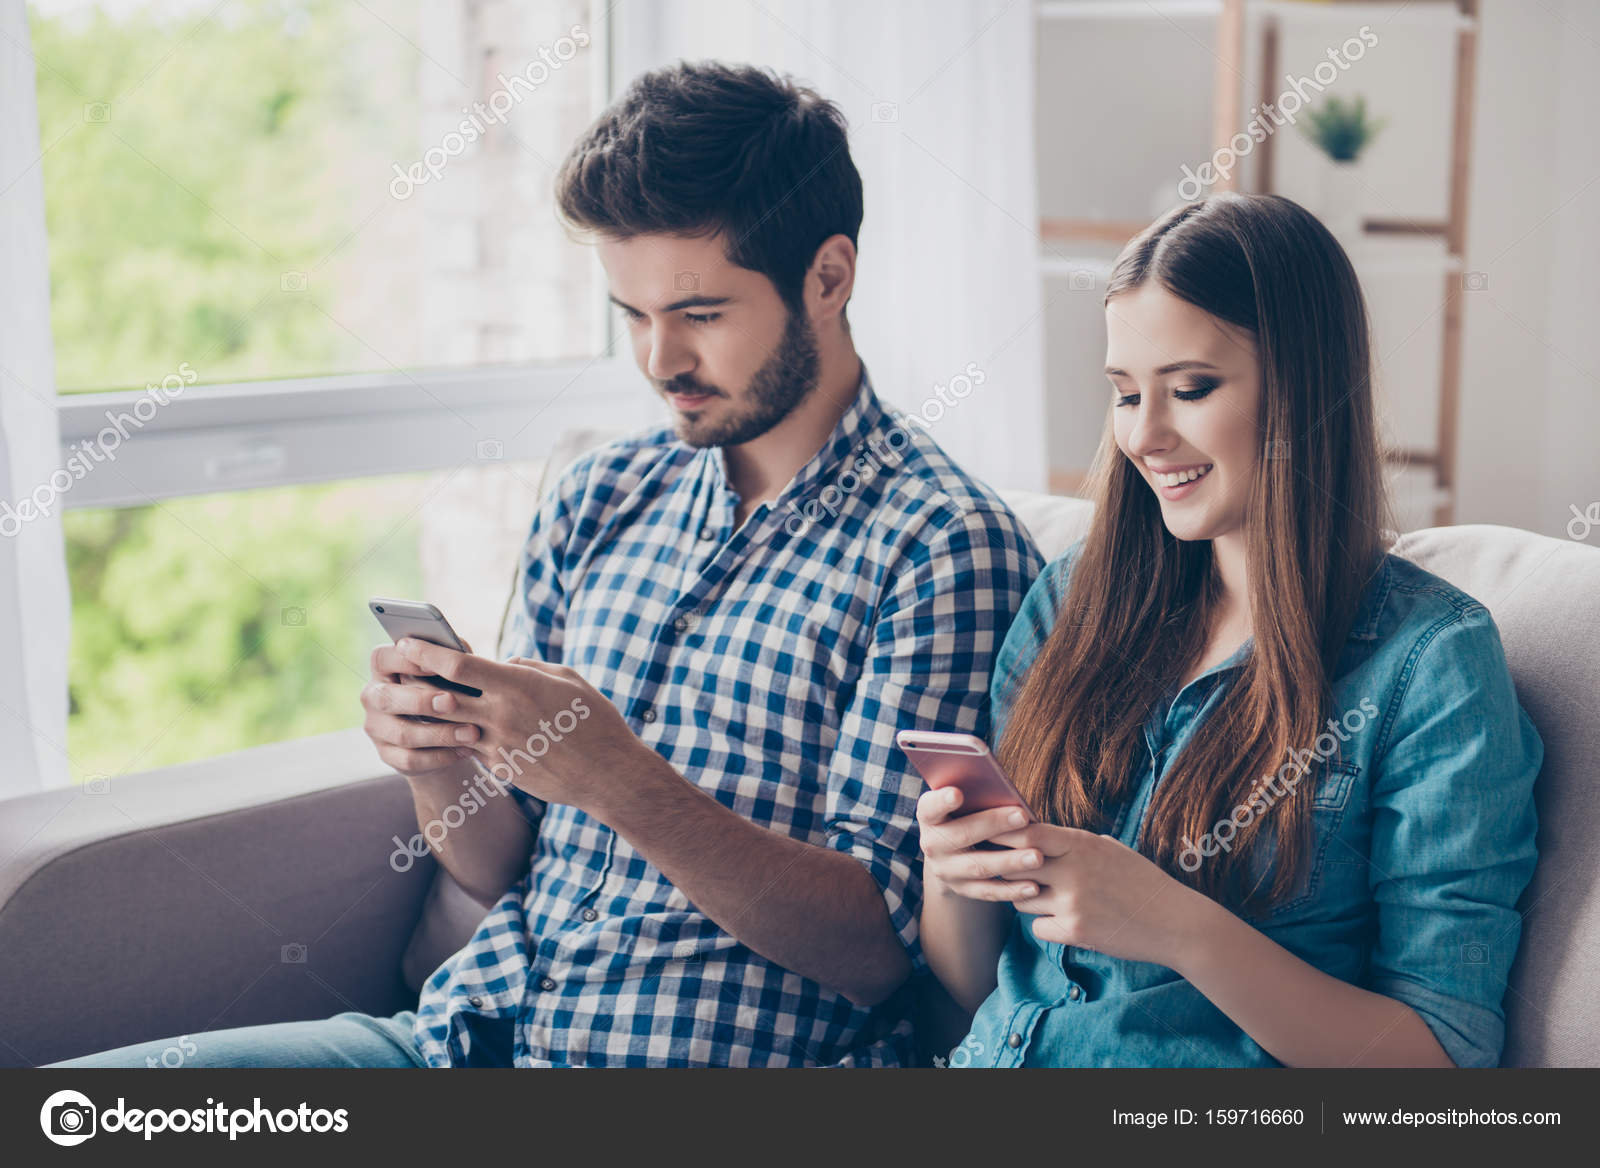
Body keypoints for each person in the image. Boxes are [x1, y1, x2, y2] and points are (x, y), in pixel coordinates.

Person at [51, 61, 1041, 1070]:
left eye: (700, 314)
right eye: (633, 315)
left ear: (828, 278)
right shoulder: (600, 494)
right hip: (456, 1039)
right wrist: (438, 761)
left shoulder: (942, 548)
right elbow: (497, 864)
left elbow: (882, 952)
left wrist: (621, 779)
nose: (659, 361)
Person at [917, 192, 1542, 1069]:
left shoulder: (1430, 665)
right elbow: (969, 989)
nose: (1143, 435)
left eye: (1190, 389)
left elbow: (1443, 1059)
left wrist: (1176, 926)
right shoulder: (1071, 601)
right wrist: (951, 874)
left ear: (1304, 389)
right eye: (1125, 394)